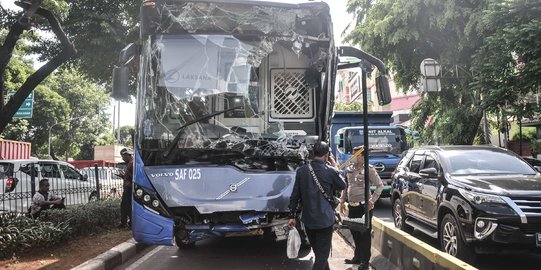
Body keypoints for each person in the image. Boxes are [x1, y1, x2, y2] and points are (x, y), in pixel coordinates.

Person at [288, 141, 346, 270]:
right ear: (327, 155)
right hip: (325, 220)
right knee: (321, 257)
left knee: (319, 253)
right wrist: (336, 168)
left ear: (313, 154)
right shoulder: (330, 171)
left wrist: (291, 215)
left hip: (308, 220)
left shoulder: (302, 171)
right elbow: (342, 185)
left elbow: (295, 195)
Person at [340, 145, 384, 270]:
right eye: (353, 155)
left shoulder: (369, 169)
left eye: (357, 155)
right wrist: (343, 200)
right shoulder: (349, 169)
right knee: (354, 231)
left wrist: (372, 200)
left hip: (364, 206)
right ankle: (357, 256)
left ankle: (365, 260)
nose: (354, 157)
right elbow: (346, 185)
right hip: (352, 206)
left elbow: (379, 185)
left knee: (364, 234)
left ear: (364, 157)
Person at [118, 148, 134, 228]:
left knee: (128, 207)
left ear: (128, 155)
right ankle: (124, 223)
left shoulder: (132, 164)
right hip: (128, 188)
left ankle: (130, 223)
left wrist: (128, 183)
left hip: (129, 189)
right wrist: (123, 176)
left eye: (123, 156)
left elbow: (134, 178)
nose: (122, 158)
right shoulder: (130, 164)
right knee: (124, 206)